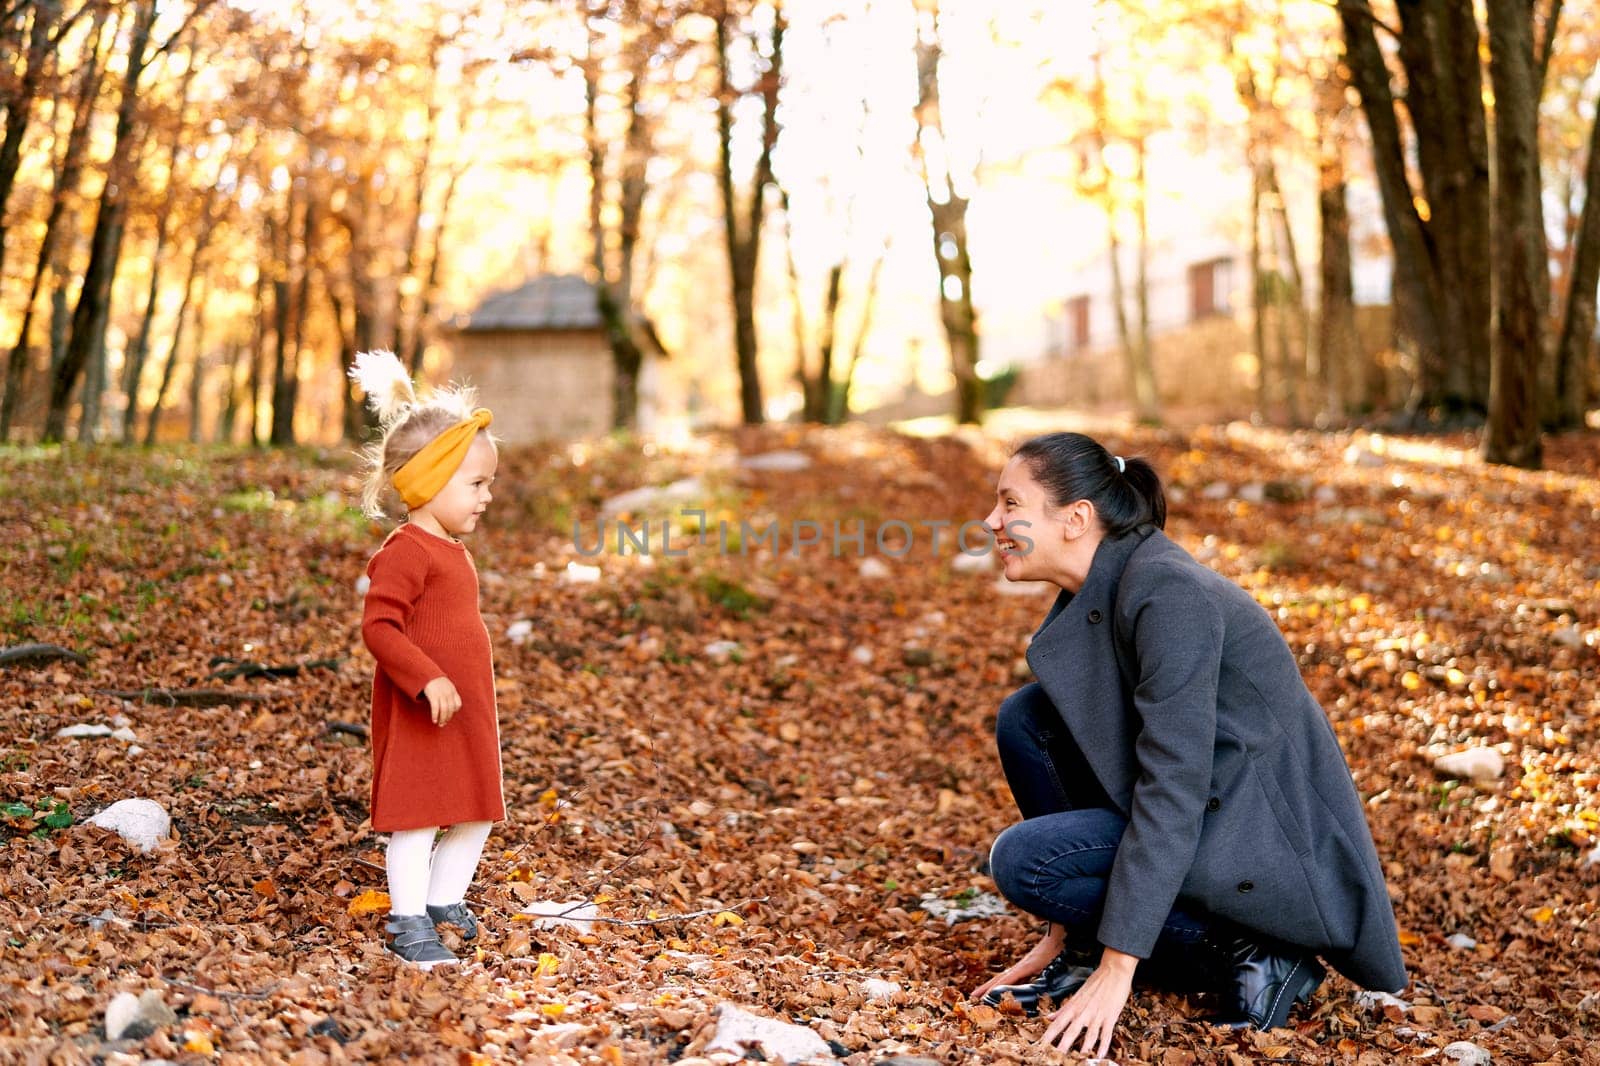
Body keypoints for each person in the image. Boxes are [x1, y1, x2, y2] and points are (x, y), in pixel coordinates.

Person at [969, 432, 1406, 1057]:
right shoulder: (1105, 585)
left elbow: (1175, 787)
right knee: (1029, 719)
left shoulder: (1170, 594)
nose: (992, 521)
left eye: (1011, 504)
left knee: (1027, 862)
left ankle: (1260, 951)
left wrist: (1120, 968)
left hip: (1263, 847)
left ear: (1076, 518)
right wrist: (1066, 937)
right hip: (1212, 819)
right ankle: (1098, 942)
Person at [351, 350, 505, 969]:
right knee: (416, 819)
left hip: (466, 710)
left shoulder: (453, 550)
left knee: (476, 810)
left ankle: (444, 901)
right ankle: (408, 918)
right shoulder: (406, 551)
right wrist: (426, 678)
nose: (487, 497)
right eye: (476, 484)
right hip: (422, 708)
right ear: (431, 483)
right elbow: (380, 626)